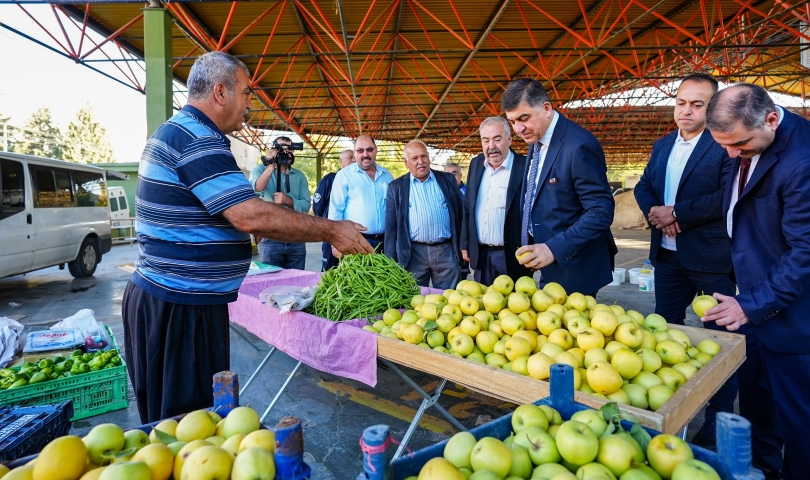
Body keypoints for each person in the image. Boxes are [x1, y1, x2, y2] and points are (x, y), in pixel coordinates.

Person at [123, 51, 372, 423]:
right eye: (246, 92)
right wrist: (333, 228)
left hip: (177, 300)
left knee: (185, 429)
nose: (250, 103)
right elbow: (249, 214)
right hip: (179, 309)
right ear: (220, 92)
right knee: (186, 430)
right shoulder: (197, 139)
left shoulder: (184, 132)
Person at [703, 83, 810, 479]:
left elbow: (804, 253)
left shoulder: (802, 160)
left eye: (740, 145)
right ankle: (762, 470)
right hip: (755, 306)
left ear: (770, 119)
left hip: (793, 318)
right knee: (757, 411)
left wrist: (750, 303)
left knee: (800, 426)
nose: (732, 154)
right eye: (724, 146)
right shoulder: (748, 142)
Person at [633, 72, 744, 449]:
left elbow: (725, 196)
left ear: (712, 108)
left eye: (697, 104)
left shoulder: (723, 144)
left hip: (710, 257)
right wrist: (654, 211)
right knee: (663, 329)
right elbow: (643, 185)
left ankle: (717, 417)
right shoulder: (663, 144)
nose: (686, 111)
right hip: (667, 256)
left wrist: (676, 213)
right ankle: (666, 406)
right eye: (681, 102)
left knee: (721, 340)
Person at [503, 78, 616, 296]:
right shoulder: (537, 142)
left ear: (546, 108)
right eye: (512, 121)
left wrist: (553, 248)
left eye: (523, 118)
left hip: (574, 265)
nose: (518, 129)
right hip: (546, 260)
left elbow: (600, 211)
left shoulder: (579, 145)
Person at [461, 116, 530, 285]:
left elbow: (535, 211)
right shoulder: (476, 164)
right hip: (482, 254)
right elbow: (468, 207)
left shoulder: (525, 166)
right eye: (486, 140)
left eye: (497, 139)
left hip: (513, 254)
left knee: (516, 306)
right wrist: (465, 242)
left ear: (509, 139)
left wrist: (533, 247)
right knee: (483, 306)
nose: (491, 146)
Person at [385, 141, 463, 289]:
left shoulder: (447, 180)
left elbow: (461, 215)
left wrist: (463, 248)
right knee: (414, 300)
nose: (420, 162)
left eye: (423, 156)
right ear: (406, 162)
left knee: (449, 299)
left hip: (445, 251)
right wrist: (391, 263)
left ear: (429, 158)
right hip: (413, 254)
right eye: (414, 158)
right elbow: (391, 229)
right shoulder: (396, 187)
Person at [249, 136, 312, 269]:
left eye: (289, 149)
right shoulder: (260, 170)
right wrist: (271, 166)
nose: (286, 152)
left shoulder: (299, 176)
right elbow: (255, 190)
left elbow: (306, 205)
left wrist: (288, 201)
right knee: (270, 281)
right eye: (281, 149)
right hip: (270, 236)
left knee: (296, 281)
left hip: (296, 237)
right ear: (273, 150)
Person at [328, 135, 393, 255]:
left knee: (384, 273)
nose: (365, 154)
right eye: (360, 151)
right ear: (354, 152)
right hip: (355, 241)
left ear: (376, 149)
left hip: (385, 242)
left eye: (369, 149)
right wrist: (335, 242)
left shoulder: (386, 175)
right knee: (358, 273)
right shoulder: (344, 175)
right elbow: (335, 210)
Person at [313, 149, 355, 270]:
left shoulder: (359, 181)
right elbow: (318, 207)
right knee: (330, 271)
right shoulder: (330, 179)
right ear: (340, 161)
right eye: (350, 157)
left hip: (352, 236)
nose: (353, 160)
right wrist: (327, 227)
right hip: (332, 234)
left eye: (354, 158)